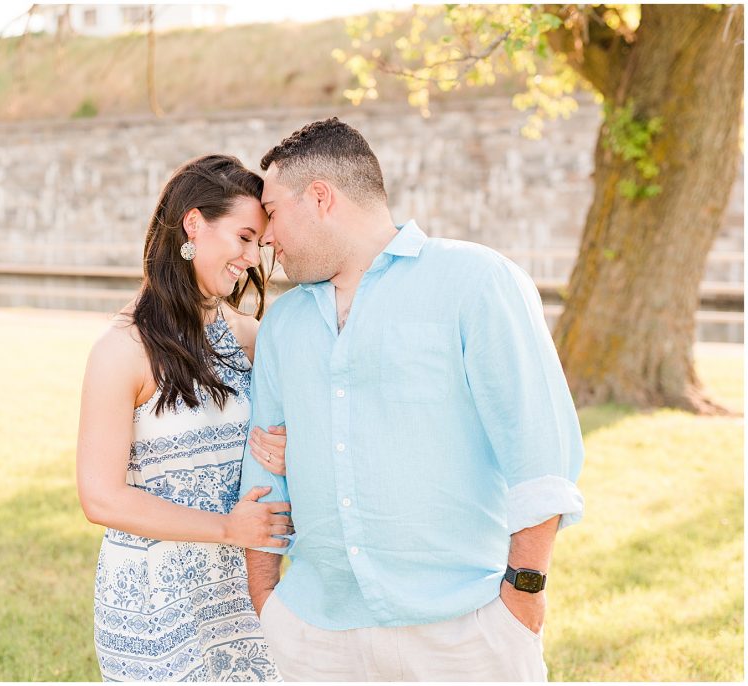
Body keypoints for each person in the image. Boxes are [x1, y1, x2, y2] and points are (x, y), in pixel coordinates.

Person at [238, 118, 585, 681]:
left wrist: (522, 596)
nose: (267, 238)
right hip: (315, 633)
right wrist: (267, 601)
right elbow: (263, 470)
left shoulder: (476, 281)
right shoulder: (284, 325)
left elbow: (539, 451)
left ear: (320, 197)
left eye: (273, 211)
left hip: (465, 630)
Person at [76, 154, 290, 682]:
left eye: (258, 243)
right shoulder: (123, 350)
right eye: (242, 237)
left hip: (240, 590)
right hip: (155, 596)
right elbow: (100, 498)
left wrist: (293, 450)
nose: (251, 258)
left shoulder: (251, 338)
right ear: (193, 223)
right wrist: (225, 527)